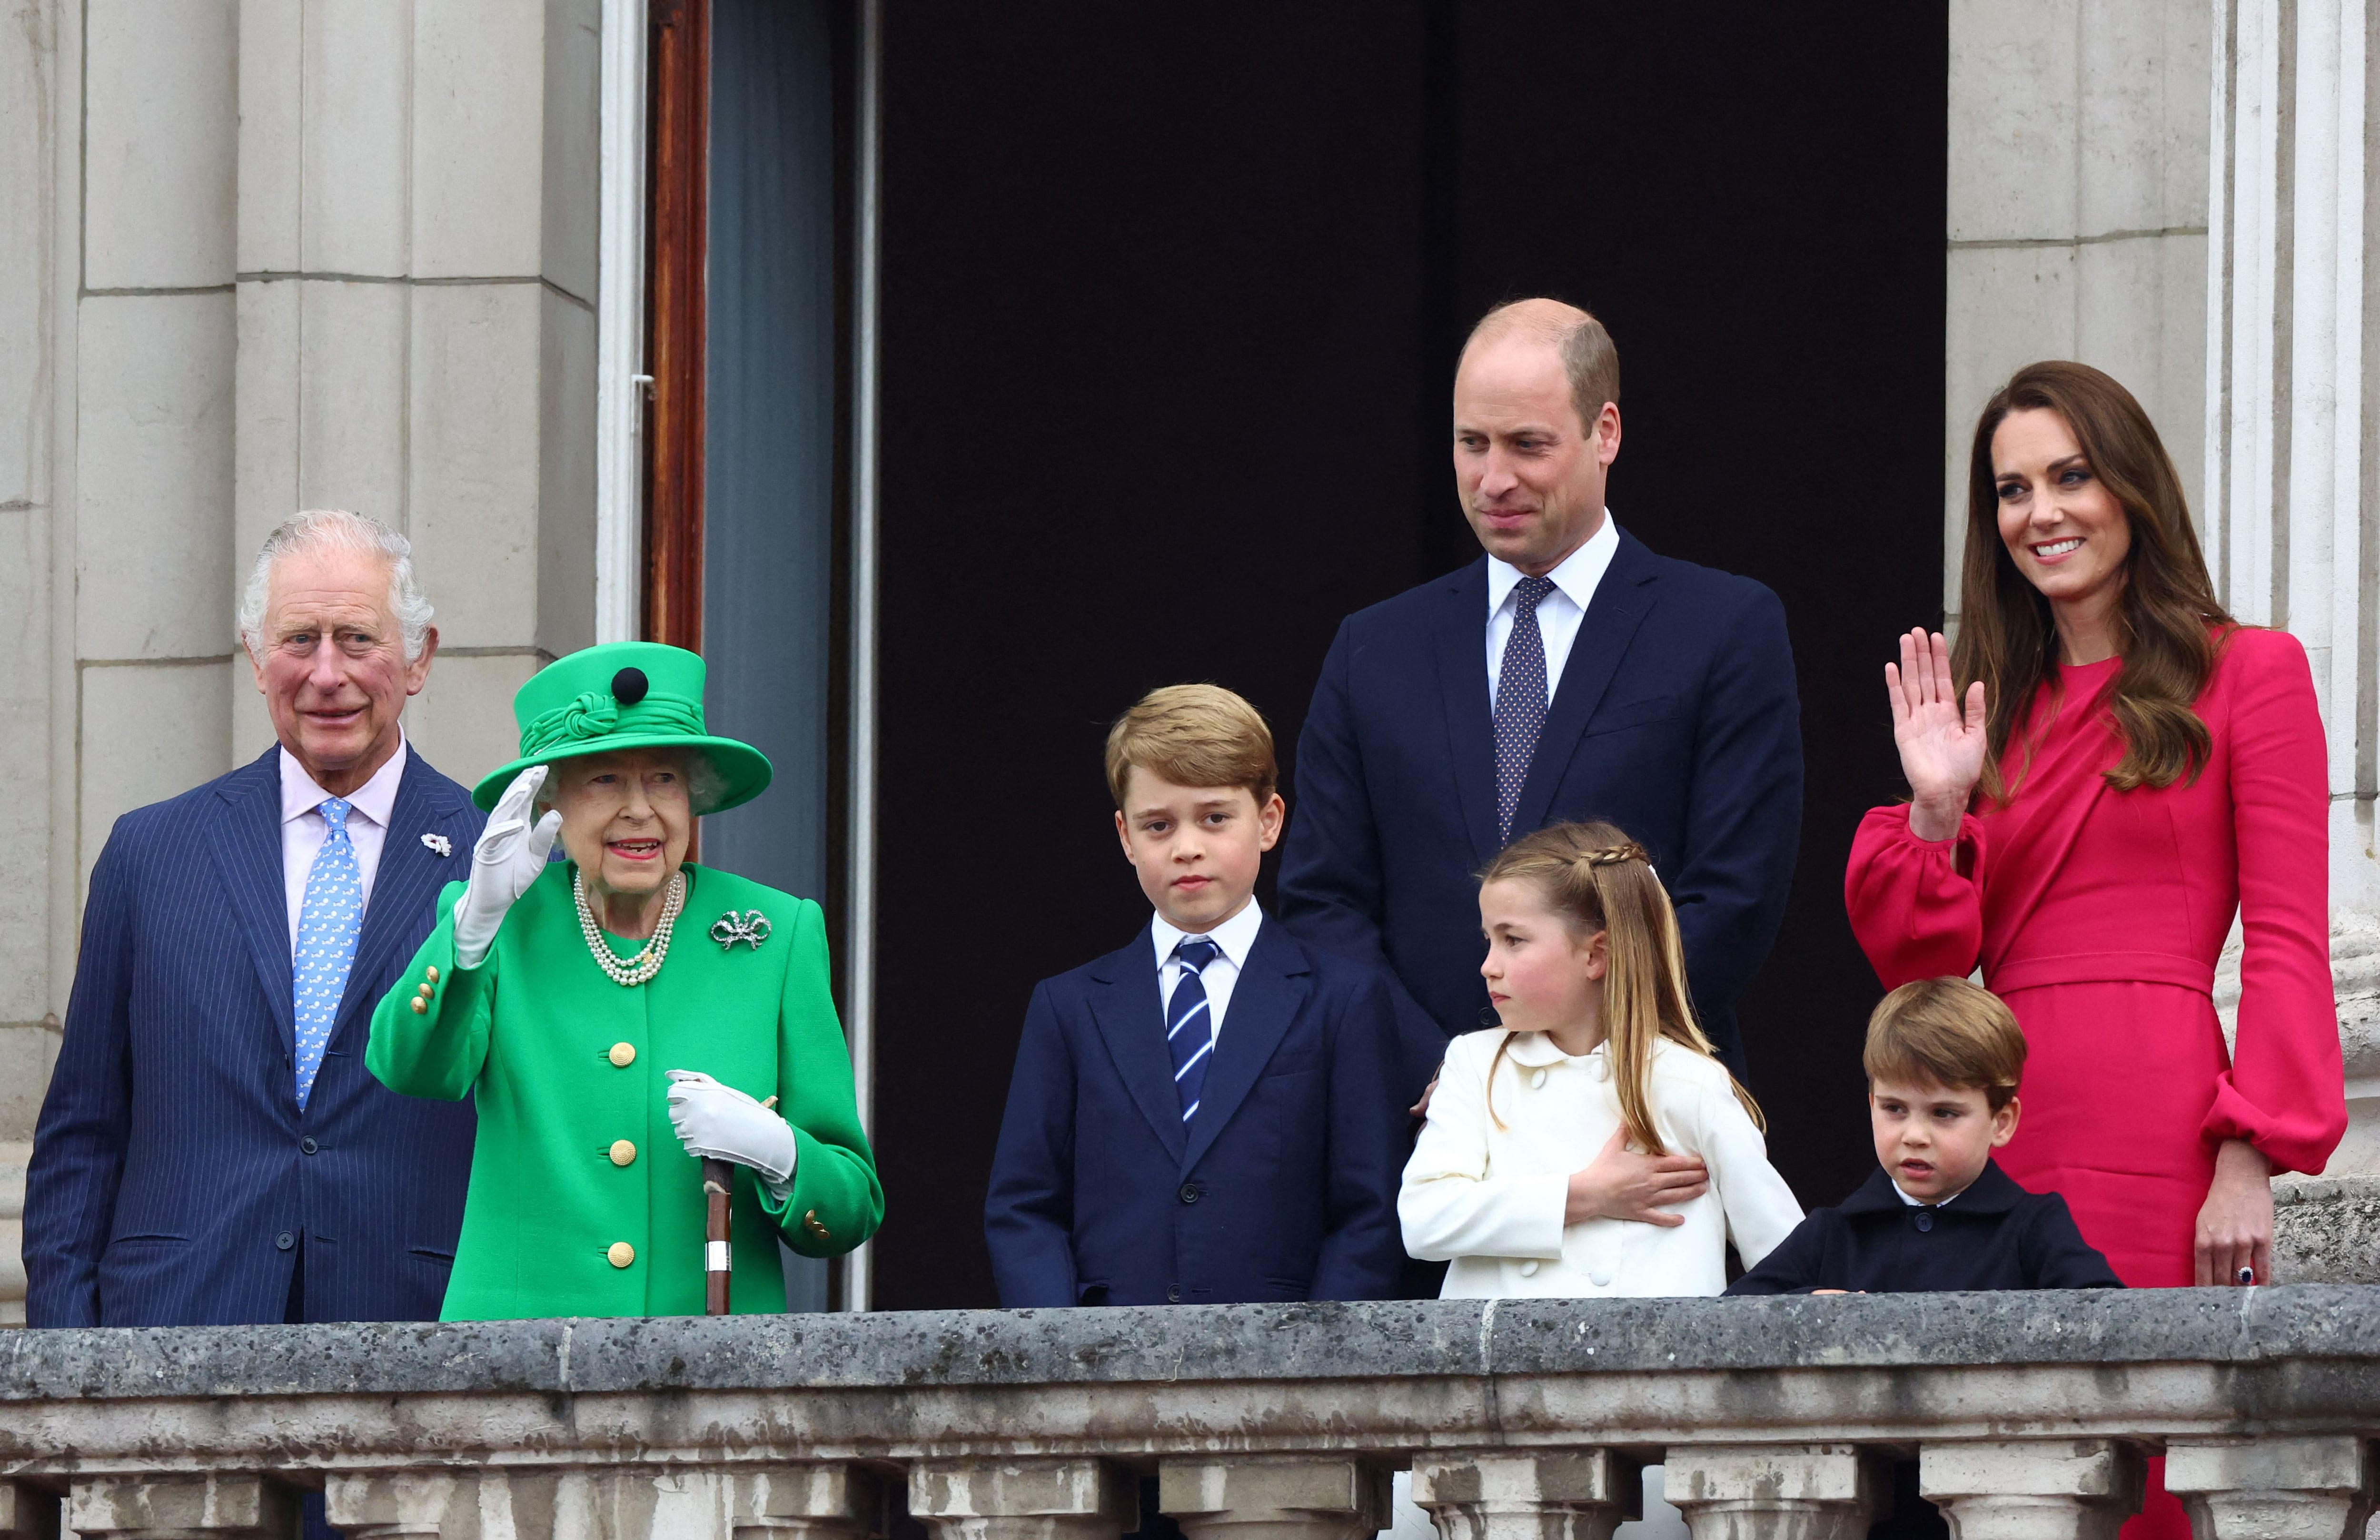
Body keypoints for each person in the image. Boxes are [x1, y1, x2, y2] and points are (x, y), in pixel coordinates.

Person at [1847, 361, 2347, 1540]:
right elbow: (1920, 962)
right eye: (2013, 490)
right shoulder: (1987, 709)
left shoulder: (2249, 671)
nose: (2043, 512)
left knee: (2147, 1471)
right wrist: (1933, 808)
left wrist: (2247, 1154)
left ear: (2130, 488)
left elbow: (2285, 939)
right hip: (2006, 1117)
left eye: (2071, 475)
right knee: (2006, 1467)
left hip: (2159, 1120)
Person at [1279, 298, 1802, 1101]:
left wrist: (1582, 1065)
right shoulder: (1372, 649)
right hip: (1423, 1131)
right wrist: (1454, 1074)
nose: (1495, 480)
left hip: (1642, 1113)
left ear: (1607, 434)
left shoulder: (1723, 628)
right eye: (1471, 444)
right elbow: (1324, 899)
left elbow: (1732, 894)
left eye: (1528, 444)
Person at [26, 509, 483, 1330]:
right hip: (175, 1326)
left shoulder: (502, 862)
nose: (327, 672)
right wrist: (66, 1362)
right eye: (299, 639)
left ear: (419, 658)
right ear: (254, 656)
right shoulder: (150, 853)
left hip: (421, 1341)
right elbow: (84, 1132)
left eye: (358, 639)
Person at [366, 641, 881, 1318]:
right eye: (605, 780)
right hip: (518, 1364)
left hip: (712, 1375)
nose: (640, 810)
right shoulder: (499, 923)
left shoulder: (776, 935)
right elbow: (412, 1069)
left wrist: (780, 1153)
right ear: (551, 801)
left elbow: (849, 1209)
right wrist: (472, 927)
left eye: (664, 778)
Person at [984, 685, 1408, 1306]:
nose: (1187, 846)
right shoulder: (1070, 1006)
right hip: (1102, 1364)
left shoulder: (1343, 1000)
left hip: (1285, 1363)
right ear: (1126, 837)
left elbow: (1368, 1212)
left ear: (1269, 821)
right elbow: (1024, 1205)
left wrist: (1319, 1370)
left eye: (1215, 818)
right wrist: (1063, 1353)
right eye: (1159, 826)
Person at [1400, 821, 1801, 1297]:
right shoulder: (1475, 1063)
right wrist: (1585, 1195)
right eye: (1489, 938)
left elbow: (1783, 1256)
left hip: (1648, 1367)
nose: (1488, 963)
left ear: (1596, 955)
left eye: (1513, 940)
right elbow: (1423, 1221)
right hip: (1493, 1367)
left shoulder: (1686, 1082)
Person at [1727, 977, 2122, 1294]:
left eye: (1944, 1114)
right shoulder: (1834, 1233)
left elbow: (2109, 1321)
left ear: (2001, 1122)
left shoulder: (2034, 1228)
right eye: (1894, 1109)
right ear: (1871, 1104)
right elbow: (1729, 1320)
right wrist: (1806, 1309)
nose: (1914, 1135)